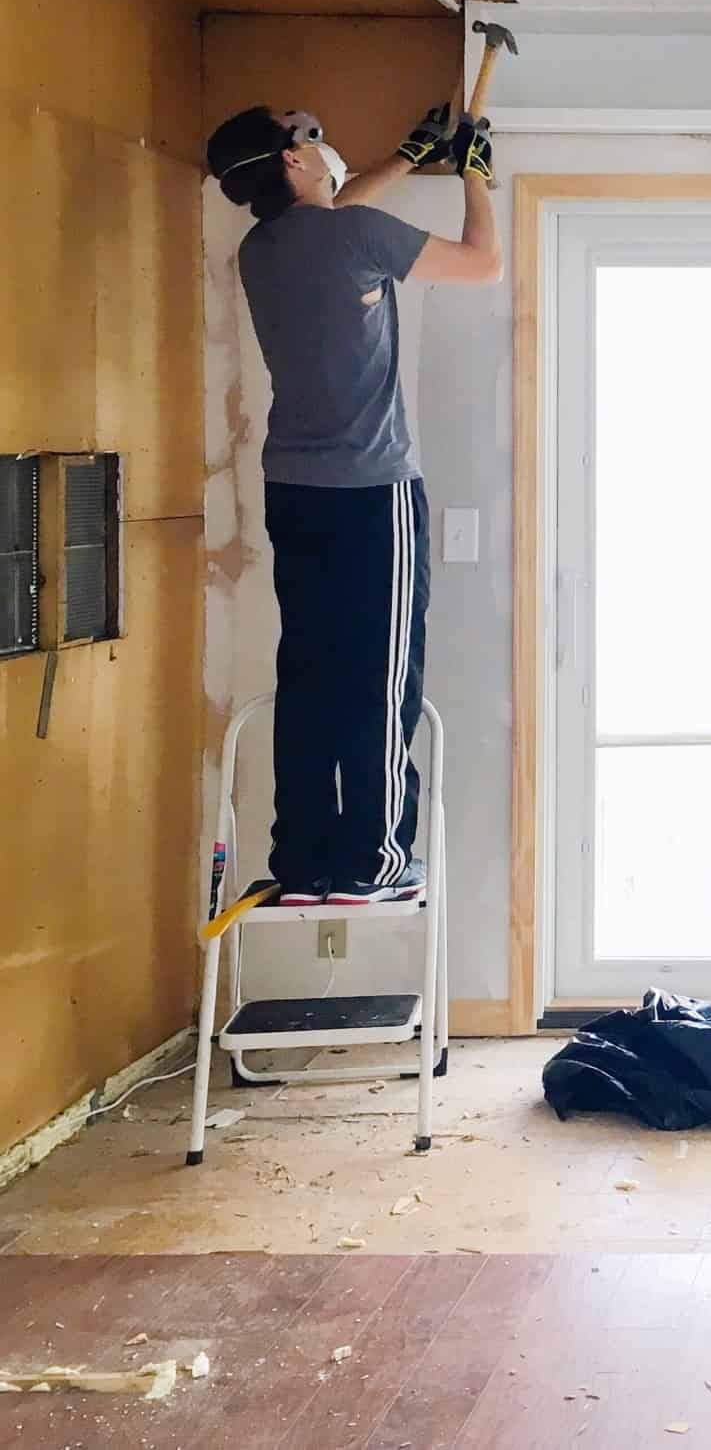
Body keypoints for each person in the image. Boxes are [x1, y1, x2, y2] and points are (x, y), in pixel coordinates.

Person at [205, 103, 501, 906]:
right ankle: (373, 863)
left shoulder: (260, 250)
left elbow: (335, 214)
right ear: (295, 165)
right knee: (380, 677)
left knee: (310, 673)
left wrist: (407, 157)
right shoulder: (353, 238)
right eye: (306, 137)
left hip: (295, 493)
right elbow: (483, 265)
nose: (319, 139)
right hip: (373, 495)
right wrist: (476, 175)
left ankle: (305, 865)